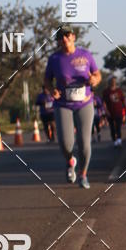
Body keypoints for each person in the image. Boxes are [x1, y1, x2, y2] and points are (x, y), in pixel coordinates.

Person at [44, 26, 101, 189]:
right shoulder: (54, 59)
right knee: (65, 143)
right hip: (63, 104)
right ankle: (70, 160)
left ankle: (83, 175)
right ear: (58, 40)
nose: (65, 39)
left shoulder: (85, 55)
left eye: (67, 35)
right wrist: (51, 90)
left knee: (84, 143)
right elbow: (47, 80)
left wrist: (94, 81)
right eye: (61, 37)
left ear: (73, 37)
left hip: (85, 103)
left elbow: (97, 74)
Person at [102, 77, 126, 147]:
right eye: (112, 81)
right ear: (109, 83)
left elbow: (123, 100)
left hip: (119, 112)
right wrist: (106, 111)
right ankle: (115, 140)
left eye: (114, 81)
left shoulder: (119, 91)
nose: (113, 82)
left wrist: (125, 111)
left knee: (118, 127)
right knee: (112, 127)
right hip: (110, 113)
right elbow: (104, 103)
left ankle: (119, 139)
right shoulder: (106, 92)